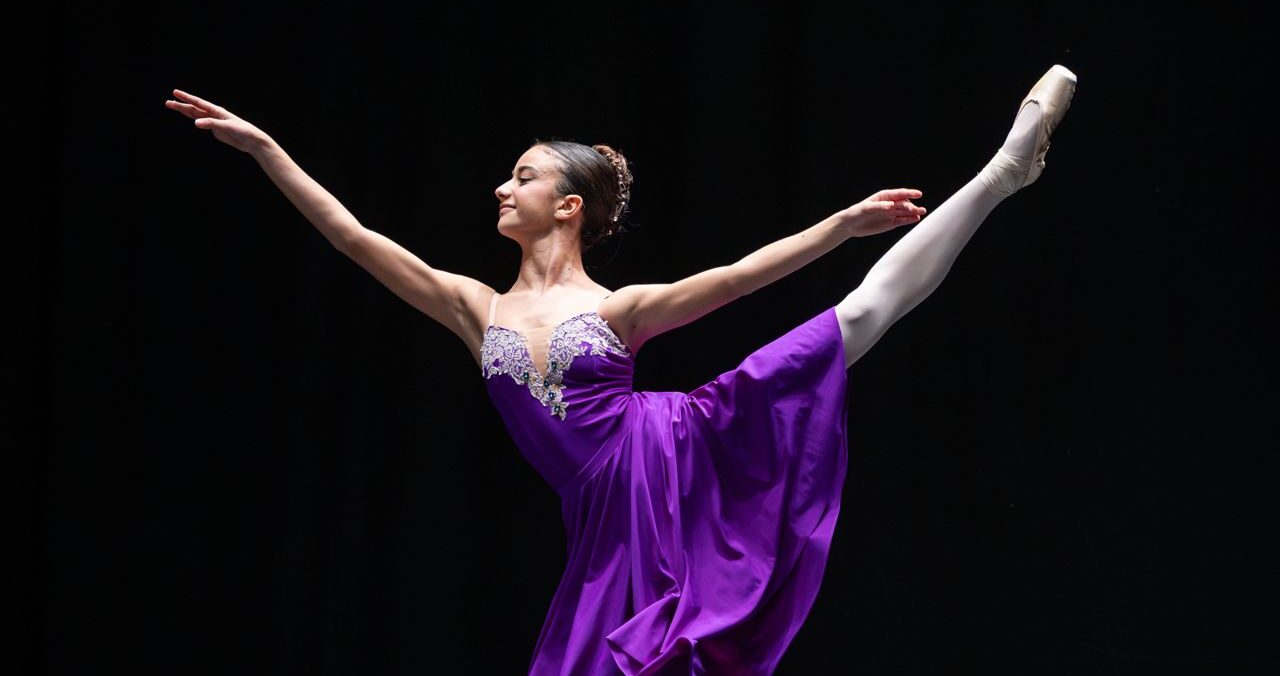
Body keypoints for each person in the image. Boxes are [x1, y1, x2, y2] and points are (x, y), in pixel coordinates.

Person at [165, 63, 1076, 675]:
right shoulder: (471, 305)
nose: (499, 187)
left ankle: (1001, 172)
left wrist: (840, 226)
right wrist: (266, 150)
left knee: (857, 319)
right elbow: (355, 237)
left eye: (519, 177)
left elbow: (735, 277)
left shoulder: (617, 310)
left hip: (675, 454)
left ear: (565, 206)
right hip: (602, 521)